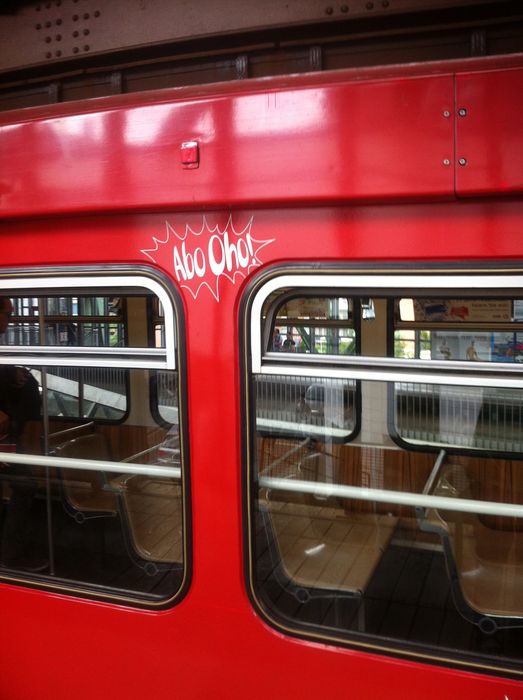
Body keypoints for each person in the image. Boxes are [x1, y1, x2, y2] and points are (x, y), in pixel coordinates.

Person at [0, 296, 46, 572]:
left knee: (25, 484)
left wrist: (13, 376)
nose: (11, 319)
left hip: (7, 436)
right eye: (7, 313)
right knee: (26, 485)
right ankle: (10, 556)